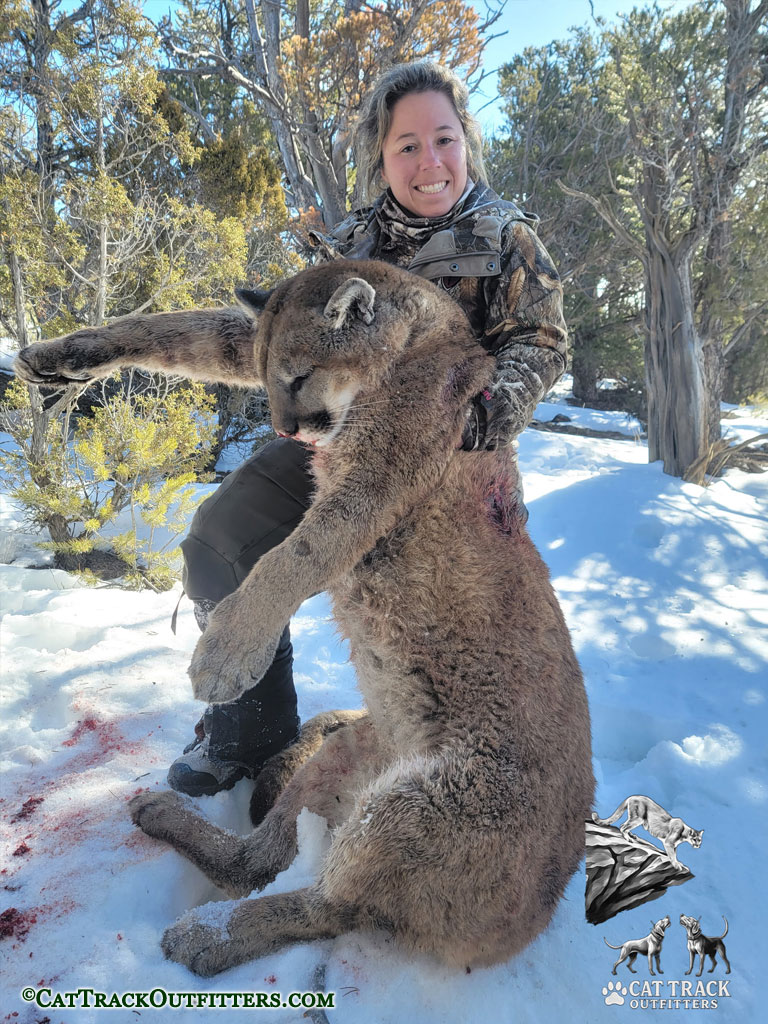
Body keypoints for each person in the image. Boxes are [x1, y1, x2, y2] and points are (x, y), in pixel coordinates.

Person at [168, 59, 568, 797]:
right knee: (218, 541)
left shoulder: (508, 236)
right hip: (337, 445)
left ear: (466, 141)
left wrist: (484, 412)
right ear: (380, 156)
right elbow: (291, 337)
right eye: (406, 146)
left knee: (442, 641)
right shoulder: (349, 239)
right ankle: (248, 732)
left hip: (449, 470)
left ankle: (443, 775)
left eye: (443, 139)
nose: (430, 161)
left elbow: (540, 343)